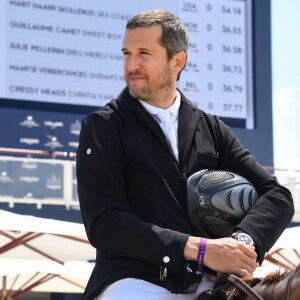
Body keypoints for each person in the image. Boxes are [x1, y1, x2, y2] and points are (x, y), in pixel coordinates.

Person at [76, 9, 294, 300]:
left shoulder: (211, 127)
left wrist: (241, 242)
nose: (132, 65)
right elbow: (105, 224)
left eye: (144, 53)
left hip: (212, 284)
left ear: (177, 61)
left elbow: (277, 195)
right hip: (133, 282)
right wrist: (201, 249)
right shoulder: (103, 126)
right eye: (126, 53)